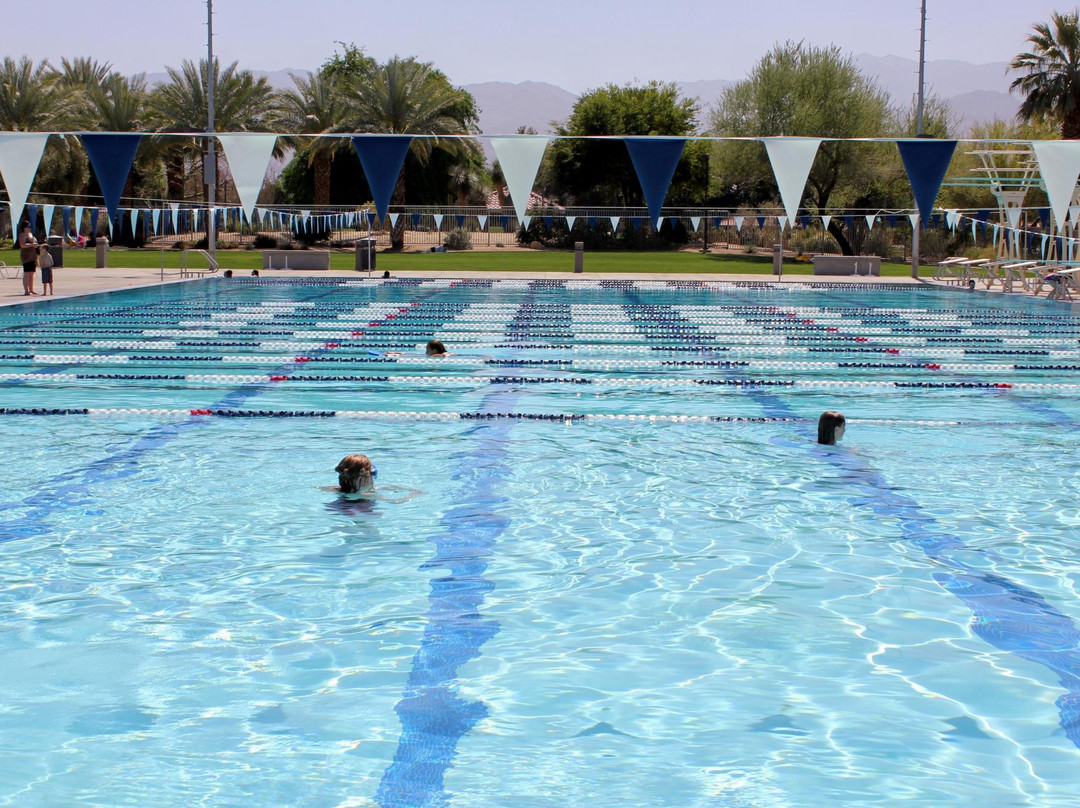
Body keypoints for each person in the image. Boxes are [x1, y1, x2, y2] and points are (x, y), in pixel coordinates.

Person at [325, 453, 419, 503]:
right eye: (372, 474)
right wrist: (413, 494)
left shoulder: (334, 490)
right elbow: (396, 501)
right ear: (365, 476)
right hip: (361, 513)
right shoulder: (366, 495)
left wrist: (393, 488)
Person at [18, 222, 38, 296]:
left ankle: (31, 289)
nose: (29, 228)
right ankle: (26, 290)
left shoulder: (31, 234)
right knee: (27, 273)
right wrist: (32, 245)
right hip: (26, 256)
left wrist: (36, 258)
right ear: (24, 227)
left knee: (32, 273)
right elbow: (22, 245)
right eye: (28, 226)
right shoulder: (22, 235)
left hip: (33, 255)